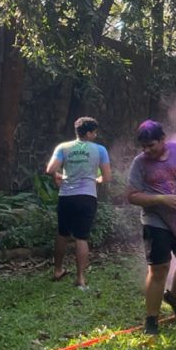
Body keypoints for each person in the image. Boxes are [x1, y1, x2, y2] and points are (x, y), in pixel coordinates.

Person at [126, 120, 176, 336]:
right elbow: (132, 196)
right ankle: (151, 319)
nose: (146, 150)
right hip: (155, 221)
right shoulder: (139, 163)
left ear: (163, 139)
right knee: (159, 268)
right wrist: (161, 199)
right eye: (143, 146)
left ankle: (173, 297)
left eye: (151, 145)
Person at [46, 116, 112, 288]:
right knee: (81, 237)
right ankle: (81, 278)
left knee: (62, 234)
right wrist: (97, 180)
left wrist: (57, 177)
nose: (95, 135)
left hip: (66, 196)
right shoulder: (100, 150)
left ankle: (57, 270)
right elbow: (107, 177)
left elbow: (50, 169)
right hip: (86, 196)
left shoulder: (63, 147)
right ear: (89, 133)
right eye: (94, 132)